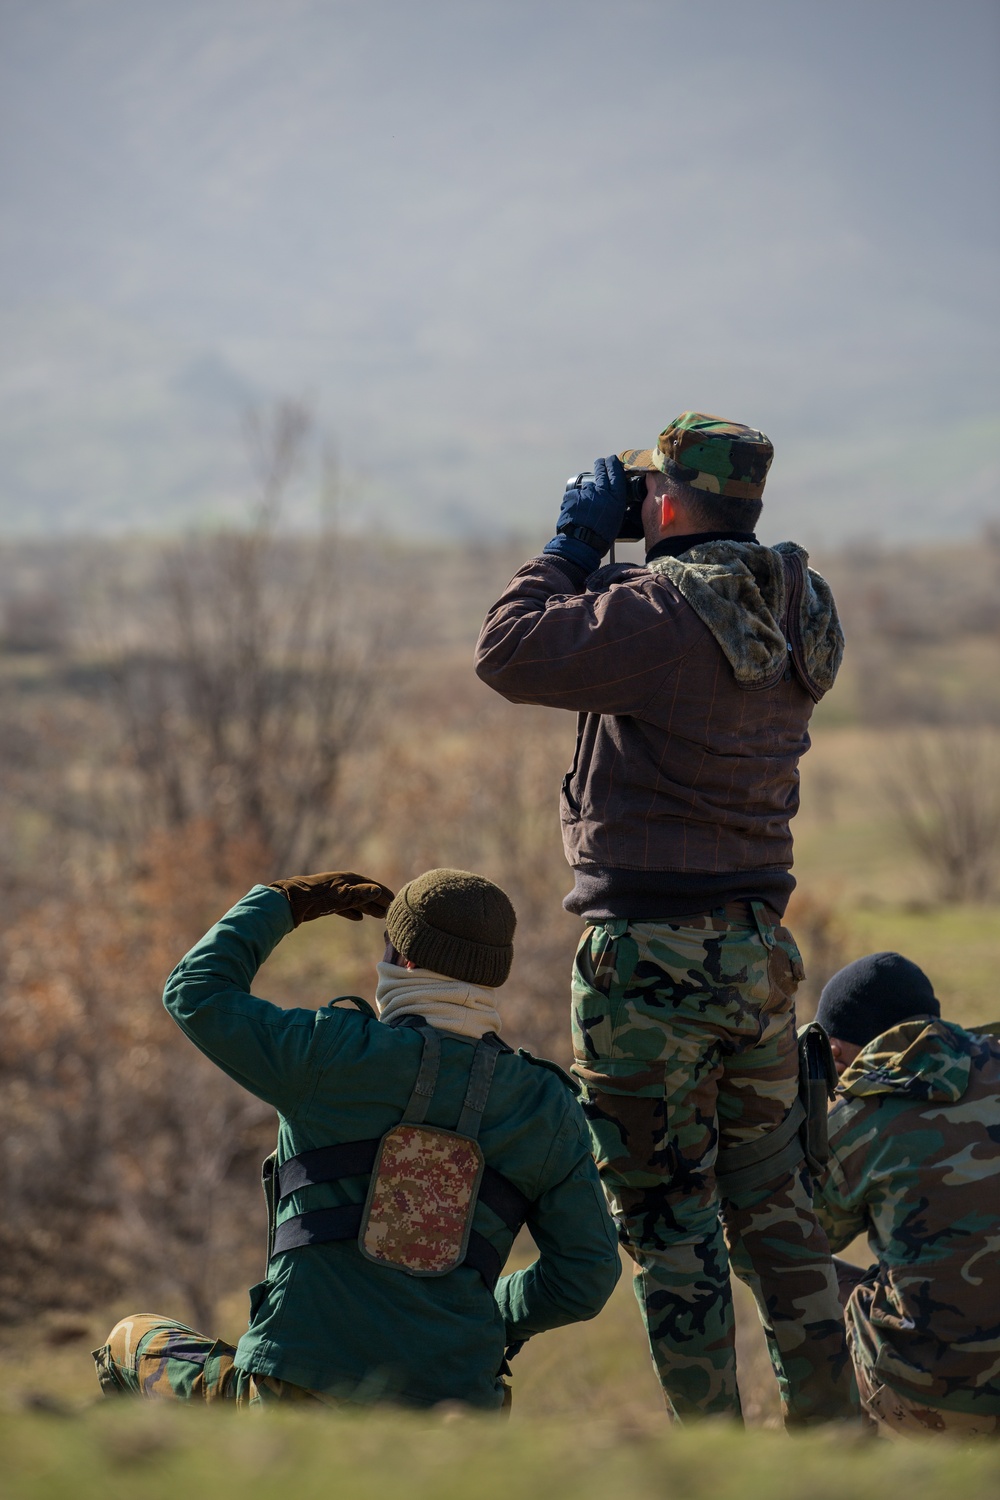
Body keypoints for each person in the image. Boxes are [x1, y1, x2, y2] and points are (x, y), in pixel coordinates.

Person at [474, 412, 855, 1425]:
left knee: (666, 1221)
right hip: (756, 955)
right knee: (778, 1214)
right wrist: (622, 563)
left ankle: (714, 1454)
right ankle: (834, 1442)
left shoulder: (659, 619)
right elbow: (673, 620)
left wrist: (570, 542)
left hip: (647, 967)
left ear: (672, 499)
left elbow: (509, 651)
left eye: (648, 490)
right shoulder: (798, 604)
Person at [93, 868, 620, 1410]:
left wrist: (283, 902)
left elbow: (195, 990)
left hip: (294, 1388)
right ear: (492, 975)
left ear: (404, 958)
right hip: (454, 1408)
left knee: (129, 1341)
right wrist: (486, 1314)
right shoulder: (543, 1105)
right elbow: (585, 1276)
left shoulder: (331, 1052)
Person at [813, 951, 1000, 1438]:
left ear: (836, 1051)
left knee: (793, 1270)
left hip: (932, 1400)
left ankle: (849, 1466)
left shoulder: (855, 1122)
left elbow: (812, 1236)